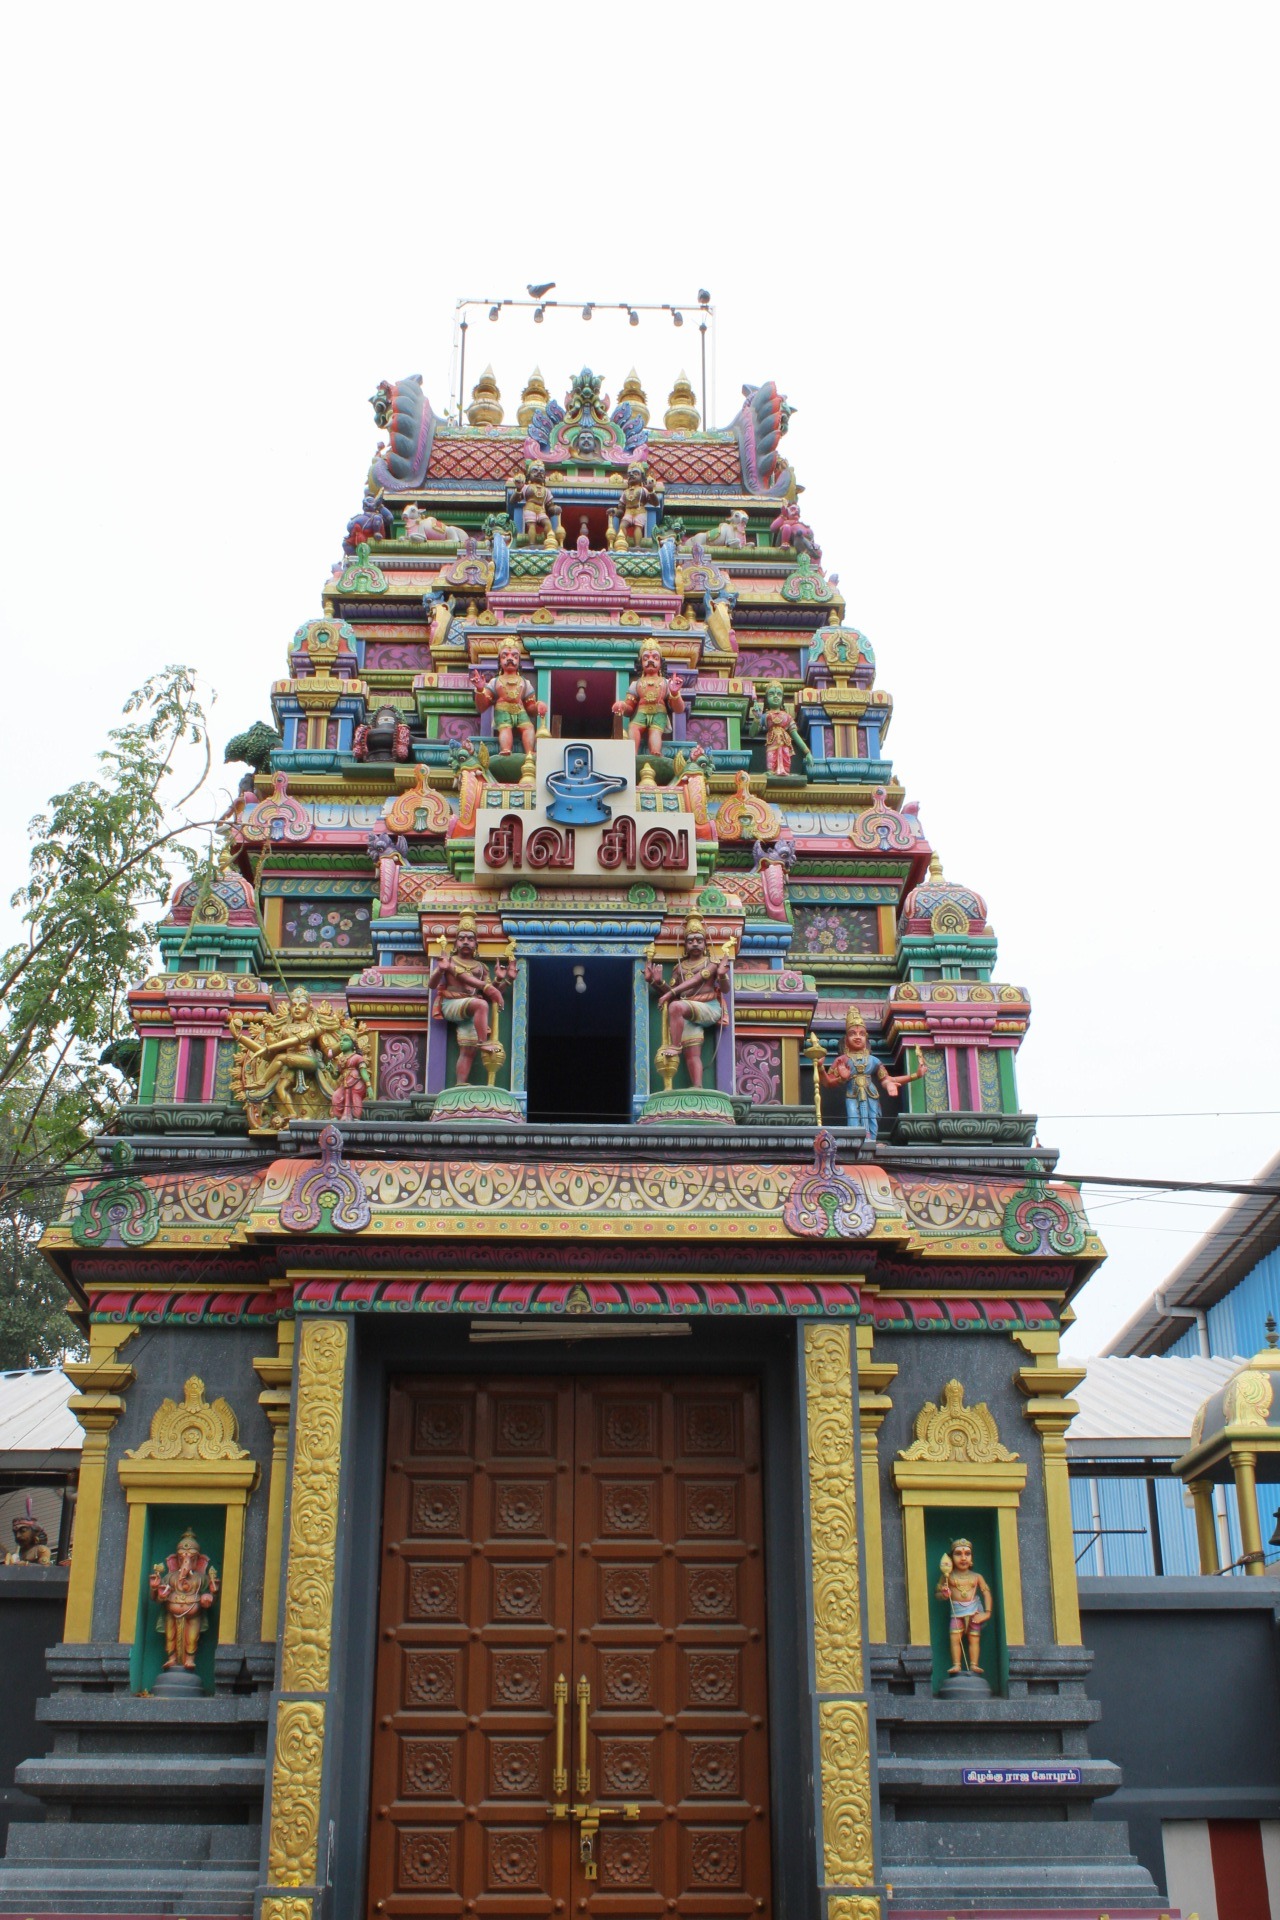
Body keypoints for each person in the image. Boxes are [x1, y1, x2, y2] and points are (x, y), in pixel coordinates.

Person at [644, 916, 730, 1091]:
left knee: (676, 1007)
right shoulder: (679, 968)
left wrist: (721, 974)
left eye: (699, 940)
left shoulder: (711, 964)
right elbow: (676, 994)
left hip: (709, 1008)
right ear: (685, 945)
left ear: (705, 944)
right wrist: (656, 982)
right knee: (692, 1051)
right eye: (691, 941)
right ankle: (697, 1086)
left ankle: (675, 1046)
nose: (695, 943)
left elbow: (713, 985)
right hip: (688, 1010)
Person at [819, 1006, 922, 1141]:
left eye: (861, 1034)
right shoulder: (842, 1061)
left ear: (866, 1038)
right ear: (846, 1039)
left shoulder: (873, 1060)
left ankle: (871, 1142)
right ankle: (855, 1143)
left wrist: (915, 1076)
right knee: (853, 1119)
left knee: (872, 1119)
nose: (857, 1037)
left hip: (871, 1094)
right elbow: (827, 1082)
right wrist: (822, 1069)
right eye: (853, 1034)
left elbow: (886, 1079)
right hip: (852, 1094)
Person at [150, 1528, 219, 1671]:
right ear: (177, 1559)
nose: (185, 1563)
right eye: (182, 1559)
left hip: (193, 1611)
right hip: (172, 1610)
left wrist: (210, 1595)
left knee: (192, 1638)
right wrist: (155, 1589)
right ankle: (172, 1658)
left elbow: (211, 1598)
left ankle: (190, 1659)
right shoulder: (170, 1577)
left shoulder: (202, 1578)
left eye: (190, 1559)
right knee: (170, 1636)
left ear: (197, 1560)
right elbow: (156, 1599)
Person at [936, 1538, 993, 1675]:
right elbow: (938, 1595)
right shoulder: (947, 1577)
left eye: (967, 1554)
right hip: (957, 1612)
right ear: (951, 1558)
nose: (963, 1558)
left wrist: (987, 1613)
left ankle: (974, 1664)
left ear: (971, 1557)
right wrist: (944, 1594)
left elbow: (987, 1594)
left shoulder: (977, 1576)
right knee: (955, 1639)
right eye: (958, 1554)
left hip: (974, 1612)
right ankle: (956, 1664)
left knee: (974, 1639)